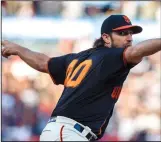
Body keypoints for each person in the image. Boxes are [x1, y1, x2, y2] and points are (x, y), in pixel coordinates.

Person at [2, 14, 161, 141]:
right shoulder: (111, 57)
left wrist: (18, 49)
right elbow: (135, 52)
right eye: (122, 33)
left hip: (66, 132)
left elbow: (44, 63)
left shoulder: (78, 58)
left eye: (131, 33)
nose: (129, 38)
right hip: (70, 133)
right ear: (106, 38)